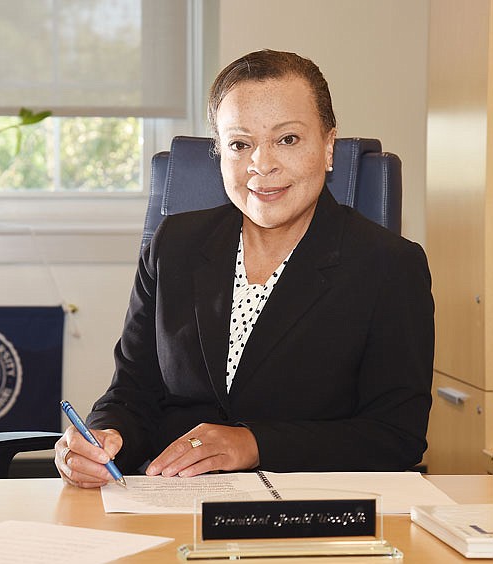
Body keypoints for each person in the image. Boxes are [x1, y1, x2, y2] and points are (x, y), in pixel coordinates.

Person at [55, 49, 434, 488]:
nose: (262, 164)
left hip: (307, 513)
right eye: (240, 144)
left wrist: (254, 444)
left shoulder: (389, 266)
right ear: (220, 154)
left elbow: (396, 436)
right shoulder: (174, 244)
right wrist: (102, 439)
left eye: (287, 139)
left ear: (328, 147)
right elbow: (132, 391)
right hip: (172, 502)